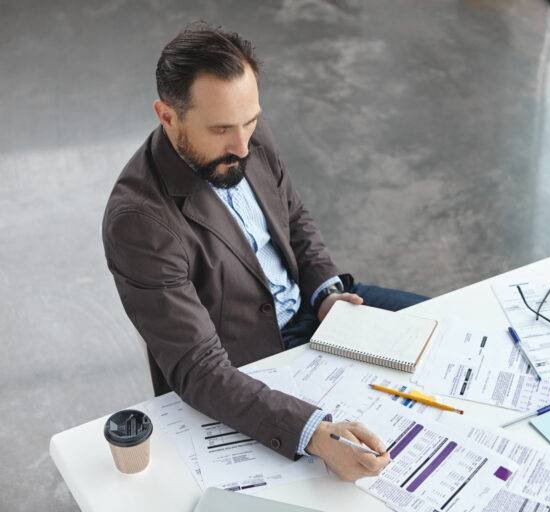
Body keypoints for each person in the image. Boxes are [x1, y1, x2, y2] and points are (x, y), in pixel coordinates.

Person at [102, 22, 427, 482]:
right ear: (168, 116)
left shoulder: (245, 129)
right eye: (220, 129)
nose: (242, 145)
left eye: (250, 122)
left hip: (315, 311)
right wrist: (314, 434)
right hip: (248, 364)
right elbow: (198, 368)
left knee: (447, 331)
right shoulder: (138, 222)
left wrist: (326, 293)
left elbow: (294, 219)